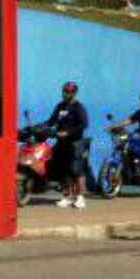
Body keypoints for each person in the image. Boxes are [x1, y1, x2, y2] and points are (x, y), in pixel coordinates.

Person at [47, 81, 89, 209]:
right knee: (63, 170)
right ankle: (66, 196)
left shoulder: (78, 107)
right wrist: (40, 127)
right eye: (65, 91)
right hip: (61, 143)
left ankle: (80, 197)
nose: (67, 94)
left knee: (76, 170)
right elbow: (51, 121)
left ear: (75, 93)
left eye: (70, 92)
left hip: (75, 143)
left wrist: (68, 133)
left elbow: (83, 124)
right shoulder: (60, 106)